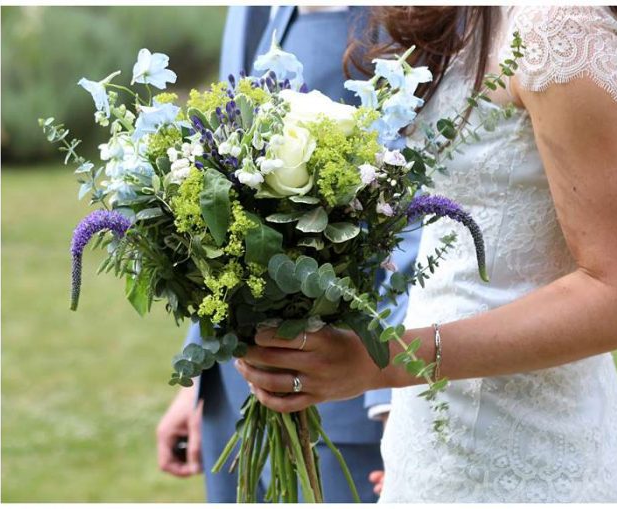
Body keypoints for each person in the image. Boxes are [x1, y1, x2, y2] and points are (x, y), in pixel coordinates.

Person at [233, 6, 617, 503]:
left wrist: (385, 360)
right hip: (439, 434)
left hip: (532, 456)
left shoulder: (564, 31)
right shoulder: (477, 16)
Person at [155, 5, 421, 503]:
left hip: (342, 402)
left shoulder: (405, 15)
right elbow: (227, 194)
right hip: (230, 395)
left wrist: (393, 403)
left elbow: (415, 200)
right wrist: (198, 378)